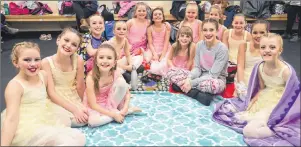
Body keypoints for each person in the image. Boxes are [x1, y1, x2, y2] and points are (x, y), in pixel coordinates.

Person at [213, 33, 300, 146]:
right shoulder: (260, 66)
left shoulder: (286, 71)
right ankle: (264, 126)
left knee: (251, 130)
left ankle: (272, 129)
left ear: (280, 50)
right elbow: (261, 88)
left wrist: (282, 113)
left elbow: (293, 94)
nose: (267, 50)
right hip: (265, 97)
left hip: (279, 101)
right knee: (242, 116)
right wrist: (251, 102)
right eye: (263, 47)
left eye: (272, 47)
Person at [1, 42, 86, 146]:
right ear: (16, 62)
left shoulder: (43, 75)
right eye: (27, 60)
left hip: (46, 113)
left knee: (79, 137)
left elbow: (51, 94)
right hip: (27, 123)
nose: (33, 64)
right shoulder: (15, 86)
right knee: (67, 142)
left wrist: (74, 108)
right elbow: (11, 119)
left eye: (37, 59)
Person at [172, 19, 228, 106]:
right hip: (200, 76)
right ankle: (197, 93)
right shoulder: (199, 45)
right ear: (202, 31)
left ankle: (185, 88)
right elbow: (197, 68)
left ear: (217, 31)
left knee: (213, 85)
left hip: (215, 79)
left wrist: (191, 83)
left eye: (211, 30)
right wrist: (188, 79)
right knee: (172, 72)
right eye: (205, 30)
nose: (208, 33)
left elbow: (213, 75)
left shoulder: (222, 49)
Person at [83, 43, 141, 127]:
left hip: (110, 101)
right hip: (96, 104)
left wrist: (125, 107)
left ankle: (120, 112)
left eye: (109, 58)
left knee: (121, 82)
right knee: (92, 122)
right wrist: (114, 115)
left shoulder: (116, 73)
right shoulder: (91, 78)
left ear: (114, 63)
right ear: (96, 61)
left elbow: (127, 93)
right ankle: (121, 113)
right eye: (101, 57)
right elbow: (93, 105)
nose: (105, 61)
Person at [41, 28, 88, 127]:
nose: (68, 46)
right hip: (56, 98)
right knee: (75, 120)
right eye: (66, 40)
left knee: (87, 115)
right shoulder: (46, 62)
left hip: (72, 95)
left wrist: (84, 104)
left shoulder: (78, 60)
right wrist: (74, 110)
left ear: (77, 49)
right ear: (58, 40)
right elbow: (51, 93)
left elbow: (80, 86)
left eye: (74, 44)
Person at [236, 20, 269, 97]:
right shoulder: (243, 46)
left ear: (267, 33)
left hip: (262, 80)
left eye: (262, 33)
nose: (258, 36)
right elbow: (240, 67)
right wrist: (241, 83)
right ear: (251, 33)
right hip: (245, 78)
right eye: (255, 33)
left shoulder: (269, 49)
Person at [147, 7, 172, 76]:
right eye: (155, 14)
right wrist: (154, 54)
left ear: (163, 17)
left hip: (165, 48)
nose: (157, 15)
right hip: (153, 48)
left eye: (159, 14)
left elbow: (166, 42)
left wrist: (162, 55)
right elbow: (150, 43)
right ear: (152, 18)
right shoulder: (150, 28)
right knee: (154, 65)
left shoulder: (166, 27)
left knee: (164, 63)